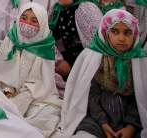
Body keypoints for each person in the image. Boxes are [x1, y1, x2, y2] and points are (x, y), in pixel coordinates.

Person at [57, 9, 147, 138]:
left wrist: (130, 127)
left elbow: (141, 98)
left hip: (131, 122)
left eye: (127, 33)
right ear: (105, 33)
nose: (121, 38)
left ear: (135, 35)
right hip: (96, 120)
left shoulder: (139, 62)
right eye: (115, 32)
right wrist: (103, 123)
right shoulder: (94, 58)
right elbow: (91, 96)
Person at [0, 3, 62, 136]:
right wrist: (7, 91)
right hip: (7, 92)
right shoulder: (13, 37)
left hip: (37, 97)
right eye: (24, 18)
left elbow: (41, 84)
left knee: (45, 117)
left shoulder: (45, 45)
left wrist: (18, 102)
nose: (27, 23)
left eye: (34, 21)